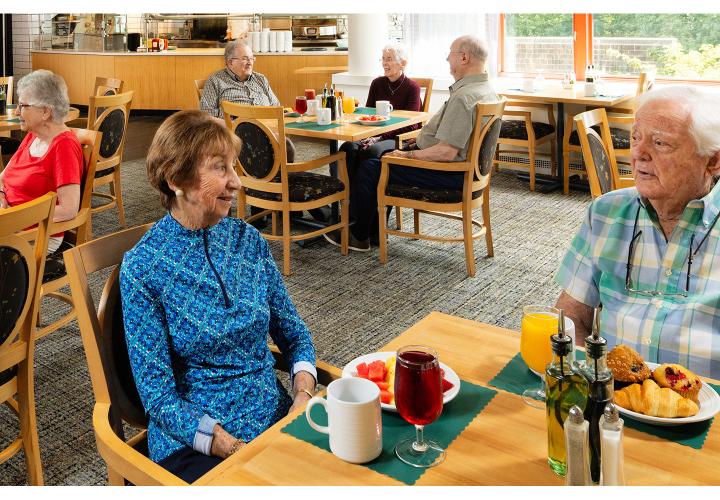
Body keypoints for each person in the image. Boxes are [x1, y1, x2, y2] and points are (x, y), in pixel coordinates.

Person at [119, 110, 317, 482]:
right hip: (196, 443)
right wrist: (233, 448)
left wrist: (303, 396)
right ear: (177, 179)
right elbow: (158, 398)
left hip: (274, 415)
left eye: (233, 167)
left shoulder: (248, 241)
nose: (237, 182)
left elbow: (295, 335)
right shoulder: (143, 268)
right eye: (220, 169)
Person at [555, 85, 720, 379]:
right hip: (614, 398)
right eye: (635, 137)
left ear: (712, 160)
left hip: (707, 408)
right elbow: (572, 316)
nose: (638, 153)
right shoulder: (606, 213)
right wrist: (583, 380)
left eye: (660, 143)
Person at [325, 35, 498, 252]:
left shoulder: (464, 97)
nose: (447, 59)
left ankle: (358, 234)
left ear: (464, 58)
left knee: (372, 167)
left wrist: (407, 156)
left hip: (449, 174)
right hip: (467, 174)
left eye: (450, 54)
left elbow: (446, 152)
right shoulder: (487, 91)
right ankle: (372, 231)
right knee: (374, 157)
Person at [0, 69, 83, 256]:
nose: (17, 112)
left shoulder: (64, 147)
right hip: (9, 225)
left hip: (35, 236)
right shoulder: (33, 136)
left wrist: (13, 220)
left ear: (45, 111)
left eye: (22, 106)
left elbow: (69, 210)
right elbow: (3, 178)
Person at [200, 40, 295, 162]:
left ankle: (280, 179)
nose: (250, 62)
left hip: (268, 130)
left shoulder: (260, 79)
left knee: (287, 146)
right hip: (236, 133)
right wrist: (233, 124)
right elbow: (205, 115)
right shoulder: (216, 81)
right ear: (230, 62)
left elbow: (275, 106)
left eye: (251, 58)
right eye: (245, 59)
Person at [339, 42, 422, 180]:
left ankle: (366, 199)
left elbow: (411, 125)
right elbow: (367, 114)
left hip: (397, 138)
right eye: (383, 58)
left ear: (403, 63)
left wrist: (379, 138)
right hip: (374, 134)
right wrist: (366, 135)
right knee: (347, 148)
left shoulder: (412, 88)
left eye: (389, 59)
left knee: (370, 152)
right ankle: (348, 196)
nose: (384, 63)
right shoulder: (377, 83)